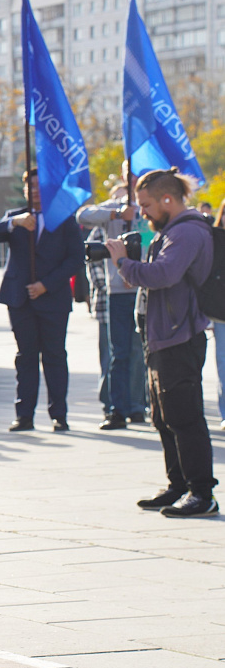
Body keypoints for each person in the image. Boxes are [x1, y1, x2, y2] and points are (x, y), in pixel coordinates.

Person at [107, 170, 217, 516]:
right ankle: (178, 485)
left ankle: (202, 494)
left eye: (147, 205)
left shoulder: (186, 232)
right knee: (164, 417)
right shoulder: (172, 231)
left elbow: (164, 275)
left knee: (184, 417)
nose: (143, 213)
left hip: (179, 336)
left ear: (168, 200)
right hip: (162, 335)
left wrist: (123, 262)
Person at [0, 170, 84, 432]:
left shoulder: (63, 217)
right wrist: (15, 223)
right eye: (30, 187)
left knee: (55, 356)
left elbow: (75, 258)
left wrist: (46, 284)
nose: (35, 191)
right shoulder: (17, 216)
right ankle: (24, 414)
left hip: (53, 298)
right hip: (20, 298)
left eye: (40, 186)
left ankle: (59, 414)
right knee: (25, 357)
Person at [79, 188, 143, 430]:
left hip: (142, 289)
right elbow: (83, 216)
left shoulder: (148, 211)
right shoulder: (113, 208)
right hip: (116, 293)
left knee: (139, 353)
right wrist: (117, 214)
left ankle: (137, 406)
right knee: (118, 353)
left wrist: (137, 273)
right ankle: (117, 408)